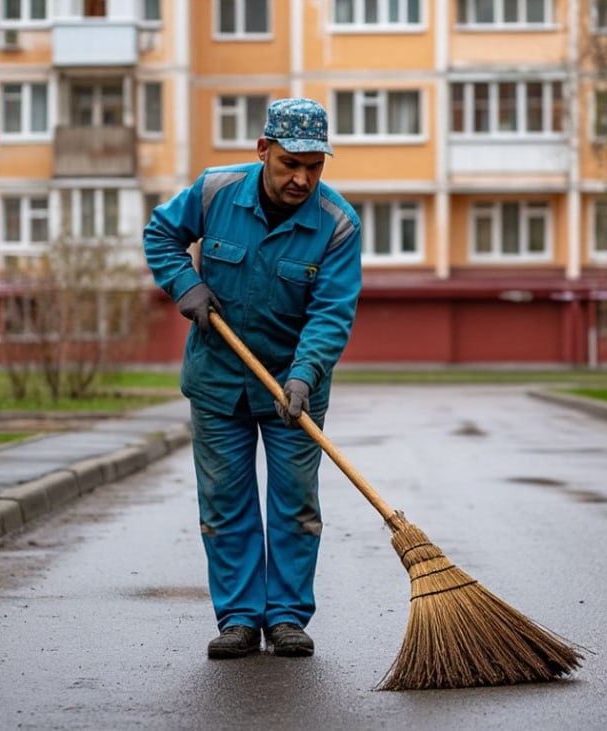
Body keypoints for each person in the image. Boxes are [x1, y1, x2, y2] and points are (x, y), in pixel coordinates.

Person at [142, 98, 362, 659]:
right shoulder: (215, 193)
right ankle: (239, 618)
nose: (302, 179)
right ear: (263, 150)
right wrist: (185, 286)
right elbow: (160, 235)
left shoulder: (337, 225)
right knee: (224, 503)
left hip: (295, 386)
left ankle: (287, 617)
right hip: (217, 382)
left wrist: (305, 377)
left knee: (295, 505)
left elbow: (331, 313)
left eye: (314, 167)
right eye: (290, 163)